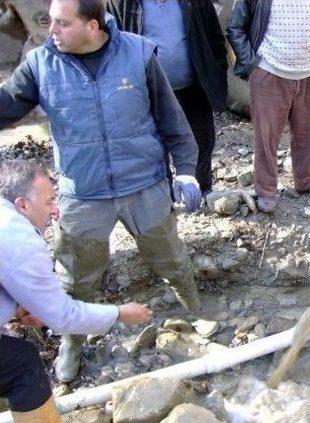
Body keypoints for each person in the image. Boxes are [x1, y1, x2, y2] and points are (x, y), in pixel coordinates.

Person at [0, 0, 201, 383]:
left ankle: (194, 308)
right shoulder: (42, 64)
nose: (51, 31)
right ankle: (72, 344)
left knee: (170, 258)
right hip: (83, 194)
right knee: (77, 278)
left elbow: (172, 119)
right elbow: (6, 106)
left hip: (144, 184)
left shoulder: (138, 54)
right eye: (49, 22)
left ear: (94, 26)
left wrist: (187, 171)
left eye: (61, 23)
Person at [0, 159, 152, 423]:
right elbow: (64, 316)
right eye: (49, 202)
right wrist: (121, 313)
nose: (55, 212)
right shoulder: (19, 239)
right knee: (22, 365)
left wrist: (13, 309)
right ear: (22, 204)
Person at [227, 0, 310, 213]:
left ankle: (307, 179)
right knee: (267, 136)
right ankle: (266, 190)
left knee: (309, 133)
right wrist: (253, 65)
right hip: (269, 71)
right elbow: (235, 28)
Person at [106, 0, 229, 196]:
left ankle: (201, 188)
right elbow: (112, 46)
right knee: (154, 145)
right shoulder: (122, 3)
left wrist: (217, 71)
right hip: (149, 92)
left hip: (193, 87)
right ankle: (164, 195)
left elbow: (214, 37)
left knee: (203, 140)